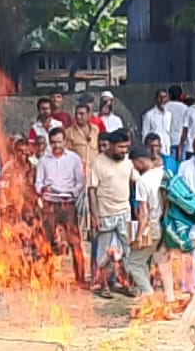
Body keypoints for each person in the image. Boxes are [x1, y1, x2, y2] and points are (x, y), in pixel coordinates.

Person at [89, 129, 139, 298]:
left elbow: (136, 182)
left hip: (125, 213)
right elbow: (91, 191)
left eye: (126, 147)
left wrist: (137, 209)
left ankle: (125, 284)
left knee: (126, 251)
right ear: (110, 146)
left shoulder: (128, 162)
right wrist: (95, 216)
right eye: (120, 147)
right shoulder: (98, 163)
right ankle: (102, 285)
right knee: (104, 253)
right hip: (105, 214)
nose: (124, 151)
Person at [35, 126, 88, 284]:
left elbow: (80, 183)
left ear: (65, 141)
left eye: (59, 142)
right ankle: (48, 278)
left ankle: (80, 278)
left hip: (67, 203)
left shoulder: (74, 159)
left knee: (75, 242)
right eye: (53, 143)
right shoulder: (43, 161)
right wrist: (42, 189)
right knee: (47, 241)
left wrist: (72, 192)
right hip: (50, 204)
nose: (57, 146)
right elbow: (38, 184)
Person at [128, 148, 166, 298]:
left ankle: (149, 295)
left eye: (134, 164)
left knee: (133, 263)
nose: (134, 167)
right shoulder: (162, 174)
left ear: (141, 161)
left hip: (151, 225)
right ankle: (145, 294)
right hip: (164, 223)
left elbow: (143, 213)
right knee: (143, 261)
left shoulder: (142, 182)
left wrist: (138, 237)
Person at [141, 89, 175, 160]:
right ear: (156, 99)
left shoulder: (169, 114)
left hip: (167, 148)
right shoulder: (149, 115)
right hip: (154, 150)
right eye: (160, 97)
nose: (162, 99)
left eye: (164, 97)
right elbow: (145, 134)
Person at [66, 103, 102, 168]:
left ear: (88, 115)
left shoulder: (95, 130)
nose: (78, 116)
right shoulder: (68, 132)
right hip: (78, 170)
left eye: (81, 114)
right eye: (76, 114)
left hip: (94, 170)